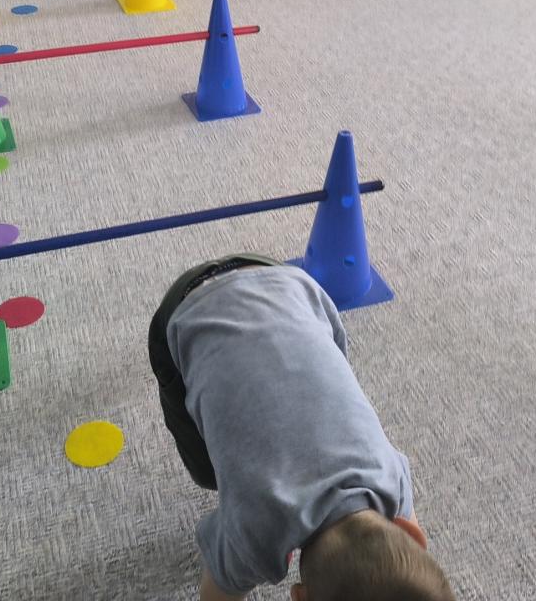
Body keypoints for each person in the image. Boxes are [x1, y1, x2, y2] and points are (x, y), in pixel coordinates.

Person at [148, 256, 454, 600]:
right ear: (299, 597)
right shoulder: (252, 538)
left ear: (410, 532)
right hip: (187, 310)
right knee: (208, 472)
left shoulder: (392, 480)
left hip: (288, 285)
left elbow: (410, 537)